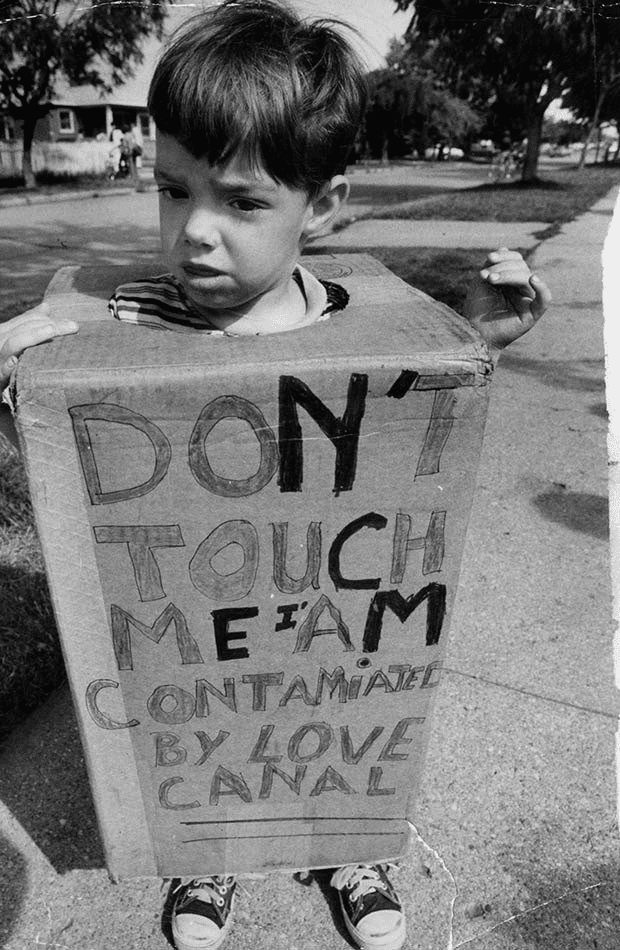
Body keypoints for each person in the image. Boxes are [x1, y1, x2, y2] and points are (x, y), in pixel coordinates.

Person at [0, 3, 552, 949]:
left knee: (336, 696)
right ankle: (205, 846)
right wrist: (18, 382)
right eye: (172, 190)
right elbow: (61, 457)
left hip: (325, 616)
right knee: (210, 713)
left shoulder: (346, 323)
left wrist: (476, 336)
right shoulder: (128, 327)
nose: (196, 232)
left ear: (323, 207)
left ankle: (351, 841)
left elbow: (413, 404)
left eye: (243, 202)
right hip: (196, 626)